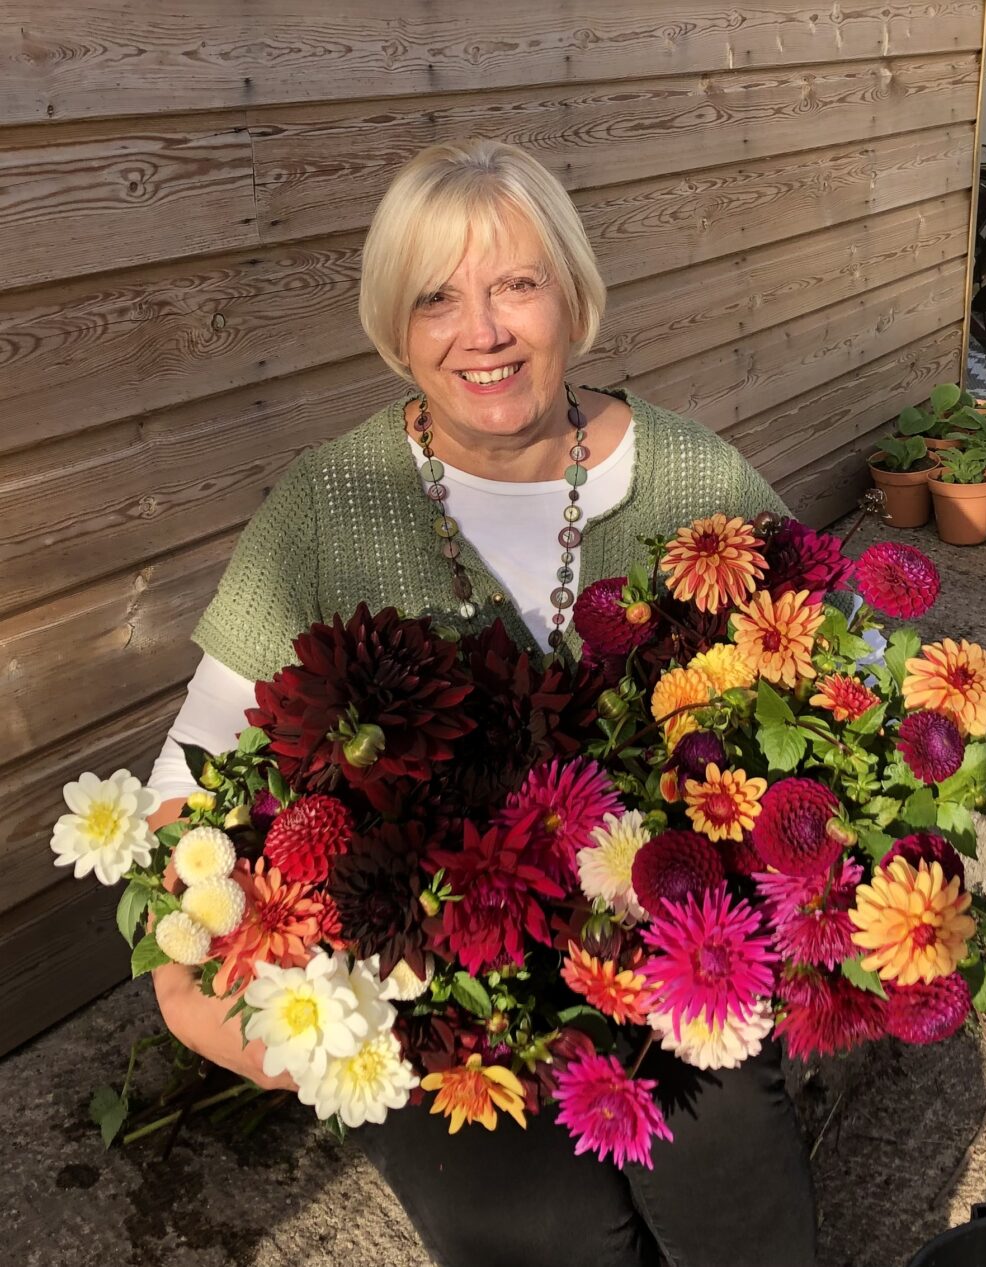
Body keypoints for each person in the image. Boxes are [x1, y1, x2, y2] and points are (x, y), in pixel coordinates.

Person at [148, 138, 816, 1267]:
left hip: (675, 948)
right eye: (437, 298)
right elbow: (192, 768)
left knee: (730, 1177)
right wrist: (185, 973)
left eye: (517, 284)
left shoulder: (693, 480)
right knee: (539, 1233)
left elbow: (834, 669)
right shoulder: (327, 505)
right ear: (395, 326)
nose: (484, 332)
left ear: (572, 297)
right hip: (432, 985)